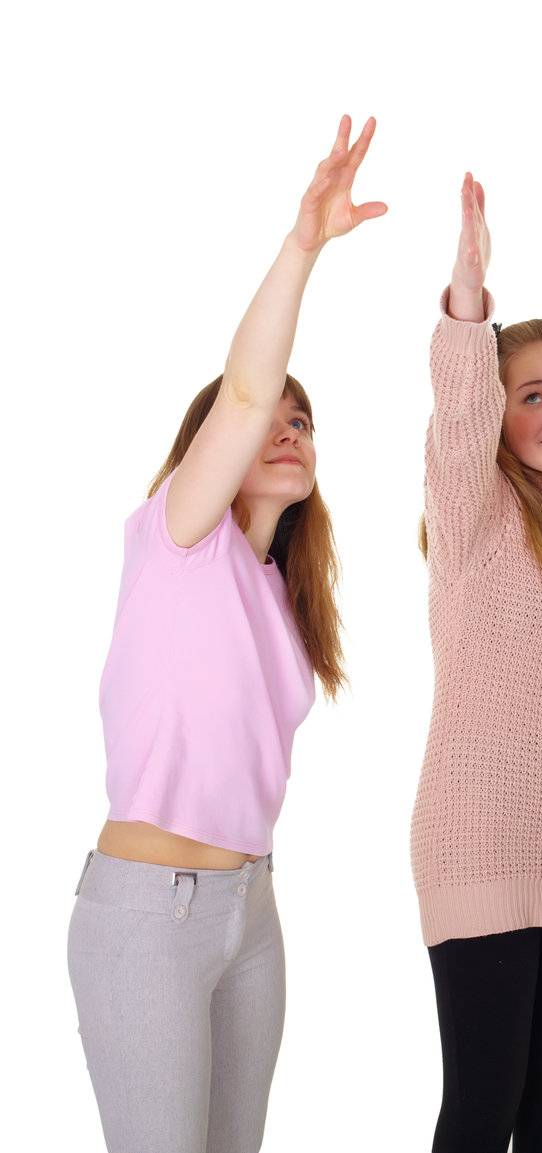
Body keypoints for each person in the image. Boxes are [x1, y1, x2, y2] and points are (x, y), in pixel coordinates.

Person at [68, 115, 383, 1153]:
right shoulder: (176, 535)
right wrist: (304, 245)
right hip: (147, 915)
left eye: (305, 422)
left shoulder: (276, 599)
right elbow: (247, 385)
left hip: (251, 908)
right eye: (270, 421)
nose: (288, 429)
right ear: (217, 443)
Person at [409, 172, 542, 1153]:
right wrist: (467, 299)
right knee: (482, 1108)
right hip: (482, 838)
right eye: (531, 393)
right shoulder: (474, 509)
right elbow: (456, 422)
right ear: (497, 412)